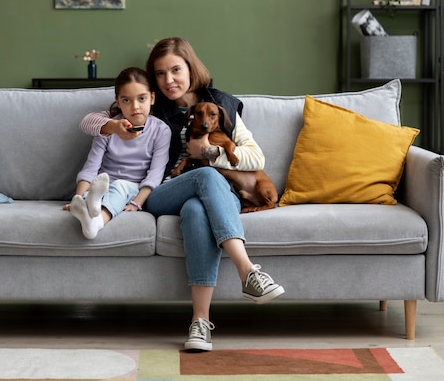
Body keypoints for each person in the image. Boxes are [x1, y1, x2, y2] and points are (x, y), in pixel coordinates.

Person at [79, 37, 284, 351]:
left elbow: (257, 159)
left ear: (191, 67)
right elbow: (97, 122)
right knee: (201, 177)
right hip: (164, 193)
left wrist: (213, 151)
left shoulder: (222, 104)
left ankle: (199, 323)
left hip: (219, 192)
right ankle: (248, 271)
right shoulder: (148, 105)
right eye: (160, 74)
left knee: (196, 211)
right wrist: (114, 127)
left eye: (175, 70)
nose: (168, 80)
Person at [64, 67, 171, 239]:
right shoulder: (108, 126)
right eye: (126, 100)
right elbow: (91, 167)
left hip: (131, 186)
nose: (135, 107)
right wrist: (76, 197)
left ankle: (96, 223)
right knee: (94, 190)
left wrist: (137, 202)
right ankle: (87, 203)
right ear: (118, 101)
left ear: (152, 98)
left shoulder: (161, 130)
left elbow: (155, 174)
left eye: (141, 98)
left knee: (119, 186)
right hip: (103, 182)